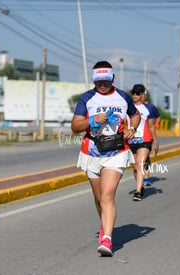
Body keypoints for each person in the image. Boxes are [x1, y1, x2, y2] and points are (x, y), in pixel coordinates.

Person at [71, 61, 140, 256]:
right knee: (99, 198)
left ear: (113, 78)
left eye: (106, 80)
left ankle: (107, 239)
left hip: (115, 151)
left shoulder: (122, 97)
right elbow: (75, 127)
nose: (102, 84)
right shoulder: (86, 98)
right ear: (94, 80)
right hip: (91, 152)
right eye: (99, 81)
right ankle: (105, 225)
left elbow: (135, 116)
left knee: (107, 195)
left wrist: (132, 128)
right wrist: (92, 120)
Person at [128, 84, 159, 201]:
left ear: (142, 95)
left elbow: (151, 126)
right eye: (133, 93)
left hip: (145, 140)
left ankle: (138, 192)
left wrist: (155, 142)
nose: (134, 95)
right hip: (131, 141)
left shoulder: (148, 108)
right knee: (135, 168)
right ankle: (140, 186)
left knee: (140, 164)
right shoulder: (127, 107)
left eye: (137, 93)